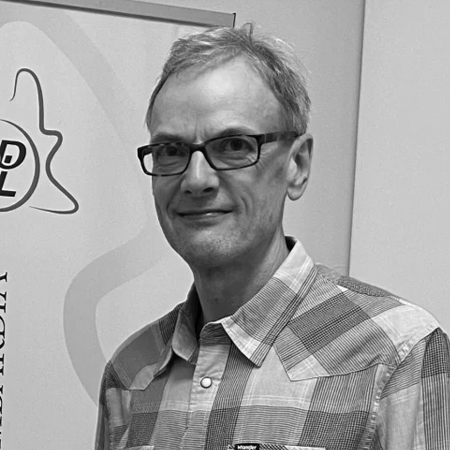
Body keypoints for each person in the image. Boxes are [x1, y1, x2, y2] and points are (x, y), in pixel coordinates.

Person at [95, 23, 449, 450]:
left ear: (297, 165)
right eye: (171, 151)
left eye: (233, 146)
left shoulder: (394, 355)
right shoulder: (131, 374)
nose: (196, 179)